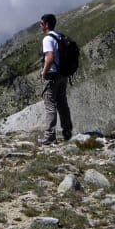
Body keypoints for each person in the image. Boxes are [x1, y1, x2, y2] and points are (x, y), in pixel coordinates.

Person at [39, 13, 73, 144]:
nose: (40, 26)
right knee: (62, 104)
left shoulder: (47, 39)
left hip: (52, 76)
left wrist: (43, 73)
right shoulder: (59, 36)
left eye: (41, 23)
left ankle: (49, 137)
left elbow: (50, 58)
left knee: (50, 105)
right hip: (63, 75)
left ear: (46, 24)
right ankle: (67, 131)